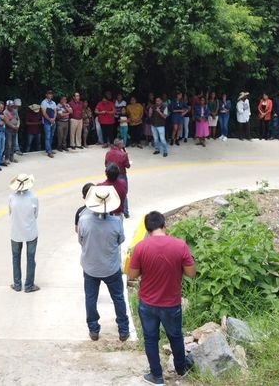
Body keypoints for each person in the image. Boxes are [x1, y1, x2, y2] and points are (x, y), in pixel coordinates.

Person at [127, 211, 196, 385]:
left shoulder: (141, 247)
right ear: (164, 226)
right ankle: (181, 369)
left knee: (150, 339)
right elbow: (191, 273)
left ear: (148, 229)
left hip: (147, 304)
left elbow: (132, 275)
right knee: (175, 336)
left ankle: (156, 376)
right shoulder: (180, 245)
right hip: (171, 303)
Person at [77, 186, 129, 342]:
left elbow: (80, 240)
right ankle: (123, 329)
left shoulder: (83, 220)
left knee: (91, 298)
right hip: (111, 268)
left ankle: (93, 329)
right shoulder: (116, 222)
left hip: (90, 267)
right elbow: (120, 240)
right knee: (118, 298)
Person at [7, 174, 40, 293]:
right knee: (30, 258)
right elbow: (36, 215)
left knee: (16, 258)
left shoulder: (11, 198)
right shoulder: (33, 198)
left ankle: (17, 284)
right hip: (30, 232)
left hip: (15, 232)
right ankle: (29, 285)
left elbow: (10, 213)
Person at [105, 139, 131, 218]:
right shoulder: (123, 154)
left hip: (110, 174)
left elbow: (106, 164)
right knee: (123, 192)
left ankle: (111, 211)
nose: (123, 145)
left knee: (111, 192)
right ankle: (125, 212)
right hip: (121, 175)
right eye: (122, 144)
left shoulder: (108, 153)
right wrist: (127, 156)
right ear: (119, 145)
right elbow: (128, 166)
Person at [39, 91, 57, 158]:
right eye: (49, 94)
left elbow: (55, 112)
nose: (50, 95)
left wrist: (54, 119)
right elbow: (44, 113)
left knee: (51, 136)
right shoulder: (44, 102)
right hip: (47, 122)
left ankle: (49, 149)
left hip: (53, 122)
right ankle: (49, 151)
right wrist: (50, 119)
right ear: (46, 95)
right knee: (47, 137)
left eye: (51, 94)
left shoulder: (53, 103)